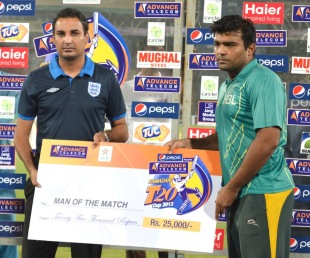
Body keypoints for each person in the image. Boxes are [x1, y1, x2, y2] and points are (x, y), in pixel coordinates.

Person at [165, 15, 294, 258]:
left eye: (230, 45)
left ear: (250, 49)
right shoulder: (228, 84)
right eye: (217, 44)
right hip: (242, 191)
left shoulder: (264, 81)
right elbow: (228, 135)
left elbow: (268, 140)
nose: (220, 51)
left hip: (264, 191)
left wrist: (231, 187)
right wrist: (192, 143)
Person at [14, 8, 128, 258]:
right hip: (45, 183)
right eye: (61, 33)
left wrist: (106, 136)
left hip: (89, 186)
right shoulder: (36, 79)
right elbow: (20, 135)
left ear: (87, 38)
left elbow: (122, 130)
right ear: (52, 38)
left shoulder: (105, 77)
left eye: (75, 33)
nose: (68, 39)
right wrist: (32, 170)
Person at [122, 45, 169, 258]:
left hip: (163, 162)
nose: (153, 60)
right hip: (134, 162)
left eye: (158, 53)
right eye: (150, 53)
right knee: (133, 219)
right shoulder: (126, 88)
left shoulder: (171, 87)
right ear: (141, 57)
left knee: (163, 219)